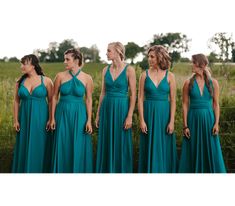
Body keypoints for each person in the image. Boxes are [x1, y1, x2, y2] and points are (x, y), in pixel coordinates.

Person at [178, 54, 226, 173]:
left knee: (211, 149)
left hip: (209, 121)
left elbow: (216, 104)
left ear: (202, 65)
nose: (192, 65)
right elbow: (184, 104)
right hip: (193, 120)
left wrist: (216, 123)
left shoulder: (213, 83)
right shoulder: (188, 83)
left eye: (194, 62)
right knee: (192, 150)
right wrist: (185, 125)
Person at [95, 42, 136, 173]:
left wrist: (129, 116)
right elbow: (103, 92)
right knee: (106, 140)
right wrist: (98, 114)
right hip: (107, 108)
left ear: (118, 52)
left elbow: (134, 94)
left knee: (121, 141)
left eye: (108, 51)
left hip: (121, 109)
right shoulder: (105, 70)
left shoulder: (129, 69)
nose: (106, 53)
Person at [50, 48, 93, 173]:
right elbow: (54, 97)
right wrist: (52, 118)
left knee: (78, 145)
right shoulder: (60, 76)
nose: (65, 62)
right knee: (62, 144)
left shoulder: (87, 78)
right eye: (65, 59)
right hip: (62, 114)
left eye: (67, 59)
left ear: (76, 60)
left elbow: (89, 100)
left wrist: (89, 120)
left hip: (79, 115)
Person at [138, 45, 178, 173]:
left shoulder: (170, 76)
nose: (149, 59)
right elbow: (140, 99)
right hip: (149, 114)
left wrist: (172, 121)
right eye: (148, 56)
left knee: (164, 146)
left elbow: (173, 100)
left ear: (160, 58)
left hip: (164, 115)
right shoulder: (144, 75)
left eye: (152, 57)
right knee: (148, 145)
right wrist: (142, 120)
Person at [12, 54, 53, 173]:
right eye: (22, 63)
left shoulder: (46, 81)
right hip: (24, 118)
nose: (22, 66)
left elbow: (51, 101)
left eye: (25, 63)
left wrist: (51, 119)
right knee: (24, 146)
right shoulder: (20, 82)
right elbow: (16, 101)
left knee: (39, 145)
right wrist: (15, 120)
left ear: (33, 65)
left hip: (41, 118)